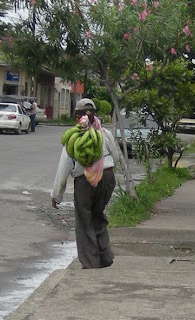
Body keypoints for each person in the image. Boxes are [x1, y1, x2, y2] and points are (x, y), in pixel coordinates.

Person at [51, 98, 119, 269]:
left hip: (84, 182)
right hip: (107, 177)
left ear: (76, 116)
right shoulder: (105, 134)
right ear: (95, 115)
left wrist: (56, 195)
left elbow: (64, 168)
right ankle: (105, 256)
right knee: (98, 215)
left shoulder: (73, 138)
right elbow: (116, 158)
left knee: (84, 219)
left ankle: (91, 262)